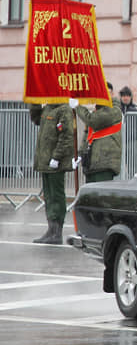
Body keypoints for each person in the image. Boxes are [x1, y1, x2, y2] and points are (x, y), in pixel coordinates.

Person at [29, 102, 74, 244]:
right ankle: (51, 229)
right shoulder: (48, 108)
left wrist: (56, 157)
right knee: (48, 196)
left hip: (56, 163)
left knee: (56, 196)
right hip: (45, 161)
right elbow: (36, 119)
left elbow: (66, 137)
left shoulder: (64, 109)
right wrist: (34, 102)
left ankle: (57, 232)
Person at [71, 82, 123, 182]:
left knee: (101, 196)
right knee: (89, 196)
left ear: (112, 94)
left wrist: (78, 106)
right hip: (92, 162)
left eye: (108, 92)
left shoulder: (114, 110)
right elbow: (88, 135)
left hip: (104, 162)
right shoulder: (96, 112)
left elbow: (92, 121)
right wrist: (80, 154)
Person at [118, 85, 137, 178]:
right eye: (123, 96)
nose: (125, 98)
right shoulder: (116, 110)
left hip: (131, 142)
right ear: (120, 97)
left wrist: (133, 135)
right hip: (118, 142)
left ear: (131, 97)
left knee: (133, 167)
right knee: (117, 168)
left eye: (127, 95)